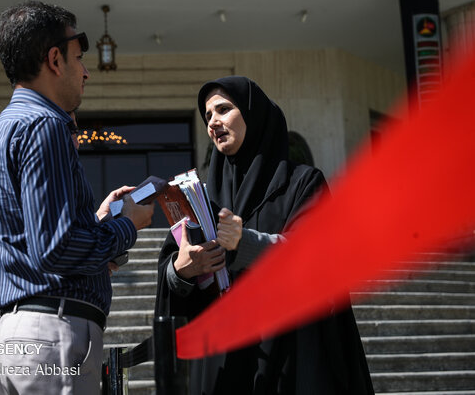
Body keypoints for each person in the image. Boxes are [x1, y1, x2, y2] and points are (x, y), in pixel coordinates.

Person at [0, 1, 154, 395]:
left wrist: (96, 222)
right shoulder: (45, 125)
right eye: (79, 58)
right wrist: (127, 225)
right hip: (53, 334)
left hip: (14, 336)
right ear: (55, 59)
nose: (86, 71)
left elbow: (37, 242)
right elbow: (56, 249)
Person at [155, 76, 374, 394]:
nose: (213, 121)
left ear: (252, 115)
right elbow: (171, 275)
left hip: (288, 359)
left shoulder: (301, 183)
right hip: (224, 366)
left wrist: (244, 243)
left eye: (223, 109)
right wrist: (181, 271)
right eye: (207, 116)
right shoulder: (202, 198)